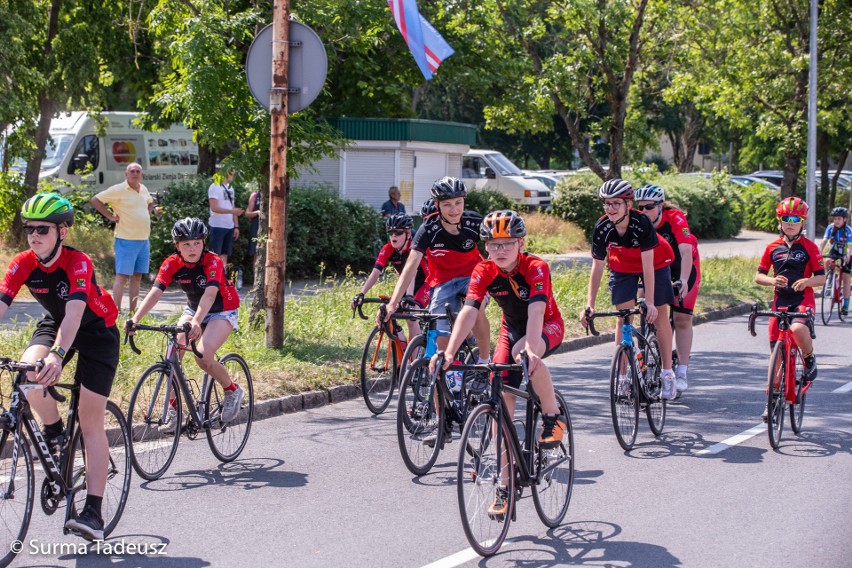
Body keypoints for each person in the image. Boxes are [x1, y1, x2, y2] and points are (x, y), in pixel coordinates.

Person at [430, 210, 565, 519]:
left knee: (523, 355)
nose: (500, 251)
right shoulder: (484, 269)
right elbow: (469, 312)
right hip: (510, 329)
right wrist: (449, 354)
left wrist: (531, 350)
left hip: (545, 325)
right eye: (493, 244)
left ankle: (552, 416)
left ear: (521, 243)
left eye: (507, 244)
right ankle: (505, 484)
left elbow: (536, 313)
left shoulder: (536, 267)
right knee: (500, 402)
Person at [0, 193, 120, 541]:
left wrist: (57, 354)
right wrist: (48, 353)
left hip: (97, 332)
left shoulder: (78, 262)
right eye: (28, 229)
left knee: (89, 417)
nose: (34, 236)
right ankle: (55, 432)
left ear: (62, 232)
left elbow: (76, 313)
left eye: (42, 229)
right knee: (26, 371)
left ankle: (94, 512)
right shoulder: (23, 262)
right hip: (56, 323)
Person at [127, 218, 245, 431]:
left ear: (203, 242)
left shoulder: (213, 261)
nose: (192, 248)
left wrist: (197, 322)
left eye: (197, 243)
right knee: (172, 351)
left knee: (203, 357)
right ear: (177, 246)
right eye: (186, 244)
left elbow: (209, 296)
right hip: (193, 309)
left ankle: (232, 390)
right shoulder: (172, 262)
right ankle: (175, 411)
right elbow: (155, 292)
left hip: (222, 309)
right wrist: (135, 319)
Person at [382, 177, 492, 389]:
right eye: (447, 204)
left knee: (475, 311)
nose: (454, 210)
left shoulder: (474, 222)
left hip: (474, 275)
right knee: (441, 336)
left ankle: (484, 363)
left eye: (458, 203)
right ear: (437, 205)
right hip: (444, 281)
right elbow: (410, 267)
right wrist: (392, 303)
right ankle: (450, 391)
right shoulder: (428, 229)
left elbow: (497, 250)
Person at [579, 179, 678, 400]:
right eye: (606, 203)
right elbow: (597, 267)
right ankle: (623, 378)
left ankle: (668, 373)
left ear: (628, 204)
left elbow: (648, 265)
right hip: (622, 265)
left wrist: (650, 301)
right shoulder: (602, 227)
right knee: (623, 317)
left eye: (616, 203)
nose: (610, 208)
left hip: (656, 262)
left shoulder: (641, 222)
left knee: (659, 315)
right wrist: (589, 305)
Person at [755, 197, 824, 420]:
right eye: (786, 219)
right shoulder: (772, 247)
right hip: (780, 302)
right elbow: (759, 275)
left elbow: (821, 278)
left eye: (796, 219)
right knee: (775, 358)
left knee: (797, 330)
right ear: (780, 222)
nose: (790, 223)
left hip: (803, 300)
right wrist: (771, 281)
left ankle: (809, 356)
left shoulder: (810, 248)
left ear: (803, 222)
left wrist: (806, 282)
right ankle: (772, 400)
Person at [634, 184, 701, 395]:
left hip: (682, 266)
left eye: (649, 207)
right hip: (656, 267)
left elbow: (686, 250)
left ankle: (681, 371)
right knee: (644, 298)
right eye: (641, 207)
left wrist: (682, 280)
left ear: (660, 205)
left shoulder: (675, 217)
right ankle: (649, 346)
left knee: (681, 318)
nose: (644, 211)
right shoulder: (639, 221)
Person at [351, 213, 431, 344]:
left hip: (426, 284)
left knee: (411, 317)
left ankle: (416, 362)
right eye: (391, 232)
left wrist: (409, 297)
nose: (393, 235)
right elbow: (375, 273)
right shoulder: (388, 248)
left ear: (408, 234)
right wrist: (361, 293)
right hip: (405, 283)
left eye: (398, 232)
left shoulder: (415, 248)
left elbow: (412, 273)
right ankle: (402, 342)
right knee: (385, 313)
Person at [90, 162, 154, 313]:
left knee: (137, 276)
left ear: (141, 174)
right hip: (126, 240)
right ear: (126, 174)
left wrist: (147, 214)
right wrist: (110, 217)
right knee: (122, 276)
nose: (135, 173)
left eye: (138, 171)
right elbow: (95, 200)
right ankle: (116, 312)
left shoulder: (143, 188)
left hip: (143, 240)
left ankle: (133, 312)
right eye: (132, 171)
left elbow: (150, 203)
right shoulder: (118, 190)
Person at [208, 168, 244, 269]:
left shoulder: (230, 188)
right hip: (217, 226)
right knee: (215, 256)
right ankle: (214, 280)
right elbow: (214, 208)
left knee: (225, 254)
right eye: (232, 173)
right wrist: (232, 211)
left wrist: (236, 226)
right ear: (226, 173)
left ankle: (222, 279)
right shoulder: (214, 186)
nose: (234, 175)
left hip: (229, 226)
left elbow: (232, 207)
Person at [818, 206, 852, 315]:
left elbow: (850, 246)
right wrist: (818, 253)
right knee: (828, 260)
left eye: (839, 219)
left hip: (848, 252)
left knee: (846, 278)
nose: (836, 221)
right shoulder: (830, 227)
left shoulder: (848, 230)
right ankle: (832, 278)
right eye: (835, 219)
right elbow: (824, 241)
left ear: (844, 219)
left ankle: (846, 303)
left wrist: (848, 255)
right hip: (836, 251)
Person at [246, 189, 261, 263]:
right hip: (256, 226)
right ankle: (256, 274)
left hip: (270, 227)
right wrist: (257, 212)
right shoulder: (255, 195)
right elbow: (247, 213)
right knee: (256, 252)